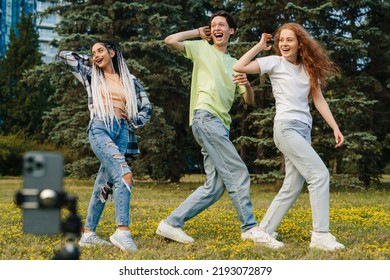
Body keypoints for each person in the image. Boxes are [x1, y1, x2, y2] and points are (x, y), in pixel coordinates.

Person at [156, 10, 284, 249]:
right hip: (205, 117)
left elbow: (248, 100)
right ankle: (249, 228)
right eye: (213, 25)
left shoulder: (235, 64)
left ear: (231, 31)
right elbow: (170, 40)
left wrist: (246, 85)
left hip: (220, 126)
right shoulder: (201, 49)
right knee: (237, 173)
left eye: (221, 25)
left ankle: (171, 223)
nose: (216, 28)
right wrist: (197, 32)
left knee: (215, 187)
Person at [233, 23, 345, 251]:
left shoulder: (308, 68)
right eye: (281, 40)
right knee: (320, 174)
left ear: (299, 43)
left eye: (289, 40)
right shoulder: (274, 63)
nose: (284, 44)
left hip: (303, 129)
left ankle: (263, 231)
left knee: (293, 185)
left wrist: (335, 127)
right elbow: (239, 66)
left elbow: (318, 99)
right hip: (286, 128)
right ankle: (320, 235)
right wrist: (259, 46)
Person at [59, 40, 152, 252]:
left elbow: (147, 106)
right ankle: (122, 231)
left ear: (112, 52)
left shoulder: (130, 80)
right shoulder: (91, 74)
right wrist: (92, 60)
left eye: (100, 51)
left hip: (121, 131)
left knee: (104, 185)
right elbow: (66, 55)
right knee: (124, 176)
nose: (96, 55)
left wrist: (135, 118)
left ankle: (88, 234)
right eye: (93, 53)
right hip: (100, 127)